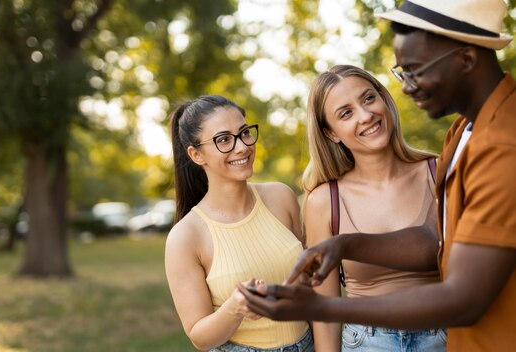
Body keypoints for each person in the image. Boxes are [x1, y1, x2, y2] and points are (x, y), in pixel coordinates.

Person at [238, 1, 516, 351]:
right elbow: (434, 235)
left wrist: (324, 306)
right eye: (402, 74)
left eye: (414, 71)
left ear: (466, 59)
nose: (408, 88)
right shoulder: (461, 134)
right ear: (330, 132)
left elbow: (465, 298)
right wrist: (343, 244)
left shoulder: (504, 147)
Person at [299, 64, 445, 351]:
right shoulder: (324, 202)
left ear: (384, 99)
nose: (366, 116)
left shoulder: (438, 173)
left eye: (368, 98)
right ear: (331, 133)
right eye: (346, 113)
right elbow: (325, 309)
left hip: (445, 336)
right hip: (368, 342)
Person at [165, 95, 313, 351]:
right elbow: (199, 336)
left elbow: (311, 287)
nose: (242, 147)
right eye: (224, 139)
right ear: (197, 154)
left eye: (244, 133)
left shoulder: (281, 197)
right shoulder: (186, 236)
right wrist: (235, 307)